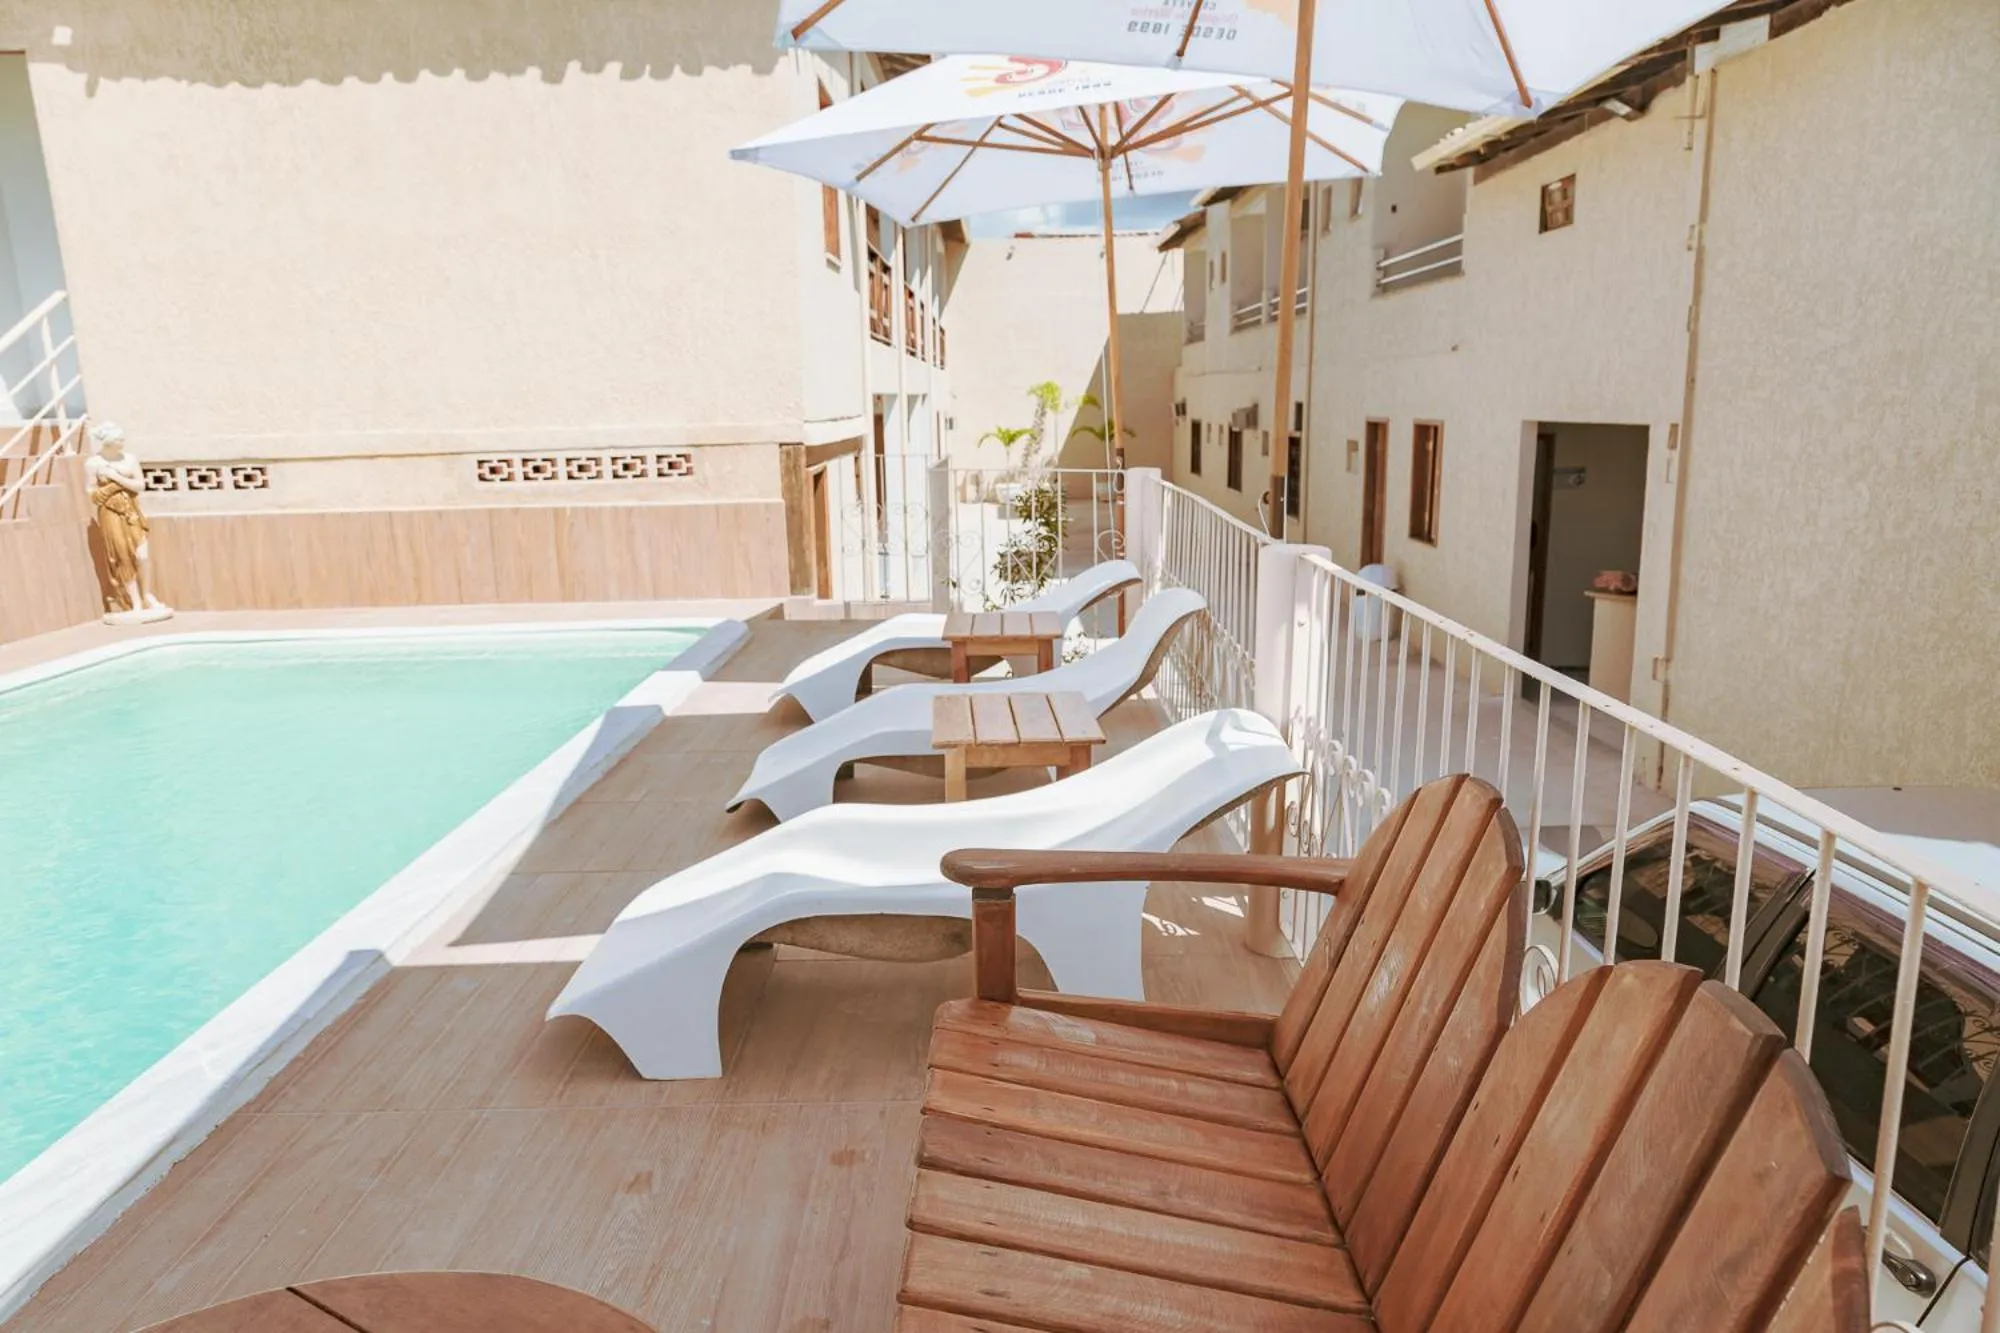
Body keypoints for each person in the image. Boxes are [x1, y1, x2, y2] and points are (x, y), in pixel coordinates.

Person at [83, 420, 170, 618]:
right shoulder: (93, 463)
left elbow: (140, 485)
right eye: (119, 439)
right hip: (111, 514)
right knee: (122, 557)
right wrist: (110, 489)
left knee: (143, 555)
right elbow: (90, 492)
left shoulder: (130, 459)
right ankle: (134, 601)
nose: (123, 442)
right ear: (108, 442)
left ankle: (147, 594)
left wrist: (116, 478)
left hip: (132, 512)